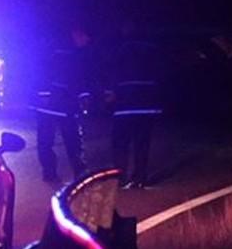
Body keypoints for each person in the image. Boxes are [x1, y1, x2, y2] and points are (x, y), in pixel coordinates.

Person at [33, 26, 95, 183]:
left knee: (46, 141)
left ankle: (50, 173)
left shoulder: (56, 49)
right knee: (72, 141)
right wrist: (82, 98)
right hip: (63, 106)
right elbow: (78, 79)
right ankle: (80, 174)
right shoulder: (71, 54)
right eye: (85, 38)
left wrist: (43, 95)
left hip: (51, 106)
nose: (86, 42)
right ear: (77, 34)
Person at [106, 35, 164, 190]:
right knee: (141, 144)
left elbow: (111, 74)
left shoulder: (120, 50)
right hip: (146, 106)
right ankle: (139, 178)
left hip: (124, 106)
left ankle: (121, 178)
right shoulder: (152, 50)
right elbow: (161, 76)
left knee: (120, 144)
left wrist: (110, 95)